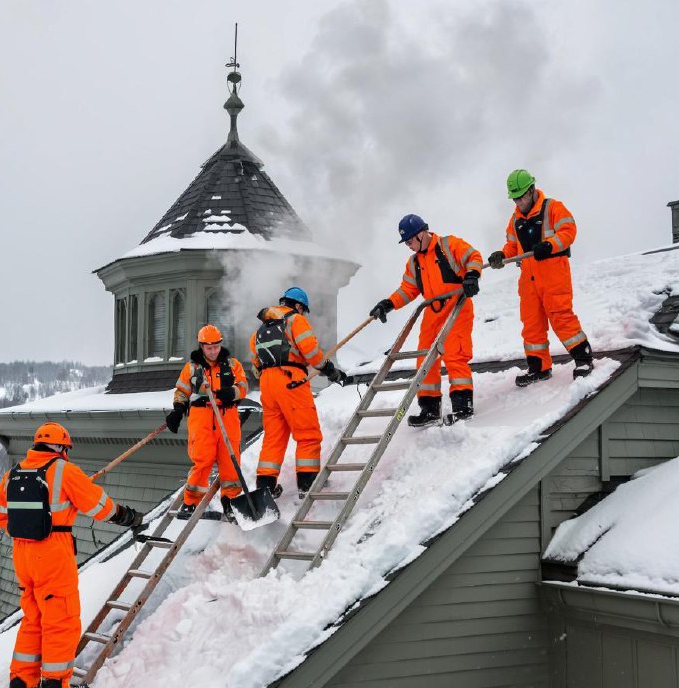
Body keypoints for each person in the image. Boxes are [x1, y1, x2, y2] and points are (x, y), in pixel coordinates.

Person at [0, 422, 144, 688]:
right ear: (61, 448)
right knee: (60, 620)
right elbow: (100, 506)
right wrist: (128, 516)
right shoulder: (64, 472)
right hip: (52, 551)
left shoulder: (14, 473)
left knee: (33, 618)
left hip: (22, 554)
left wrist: (30, 527)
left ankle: (22, 686)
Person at [369, 214, 483, 427]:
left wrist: (472, 276)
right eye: (406, 243)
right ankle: (430, 409)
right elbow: (408, 289)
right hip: (432, 311)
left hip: (456, 306)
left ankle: (462, 407)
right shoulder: (414, 262)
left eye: (410, 241)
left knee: (455, 354)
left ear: (421, 234)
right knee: (425, 359)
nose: (409, 246)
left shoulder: (448, 245)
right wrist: (388, 304)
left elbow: (473, 257)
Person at [488, 169, 593, 387]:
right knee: (531, 323)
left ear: (532, 190)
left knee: (561, 316)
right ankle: (539, 367)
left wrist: (550, 245)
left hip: (553, 273)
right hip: (528, 279)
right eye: (514, 198)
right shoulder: (515, 218)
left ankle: (583, 359)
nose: (518, 202)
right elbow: (512, 246)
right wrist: (502, 255)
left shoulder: (553, 207)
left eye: (521, 197)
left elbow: (568, 231)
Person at [249, 286, 348, 499]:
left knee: (274, 437)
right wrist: (329, 369)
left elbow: (255, 362)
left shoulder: (260, 330)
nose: (302, 313)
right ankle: (308, 483)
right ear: (298, 306)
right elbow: (311, 351)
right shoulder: (295, 320)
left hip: (267, 384)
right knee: (307, 433)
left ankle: (265, 486)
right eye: (303, 310)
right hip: (290, 380)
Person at [165, 325, 249, 522]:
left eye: (216, 347)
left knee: (230, 462)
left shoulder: (232, 365)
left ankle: (230, 501)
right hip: (201, 418)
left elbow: (243, 386)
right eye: (209, 348)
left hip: (227, 417)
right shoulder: (192, 368)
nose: (213, 351)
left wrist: (232, 393)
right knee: (202, 460)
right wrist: (178, 409)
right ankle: (190, 501)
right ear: (202, 346)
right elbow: (181, 391)